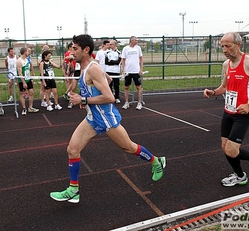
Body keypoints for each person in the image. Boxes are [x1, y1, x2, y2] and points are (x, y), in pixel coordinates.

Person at [49, 34, 166, 203]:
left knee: (129, 147)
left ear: (86, 50)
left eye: (75, 49)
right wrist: (88, 98)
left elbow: (110, 97)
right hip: (92, 118)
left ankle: (157, 161)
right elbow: (109, 79)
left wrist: (83, 100)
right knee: (72, 149)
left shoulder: (92, 68)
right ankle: (73, 190)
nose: (71, 52)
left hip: (106, 118)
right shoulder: (85, 66)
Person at [203, 32, 249, 187]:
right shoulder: (226, 64)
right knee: (225, 148)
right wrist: (213, 92)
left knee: (231, 150)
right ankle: (240, 176)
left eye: (228, 46)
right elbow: (225, 87)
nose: (224, 50)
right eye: (222, 46)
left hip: (243, 113)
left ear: (238, 45)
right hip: (228, 111)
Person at [121, 36, 144, 110]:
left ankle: (139, 103)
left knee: (138, 87)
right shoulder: (125, 48)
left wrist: (141, 69)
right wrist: (123, 70)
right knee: (126, 87)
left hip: (136, 71)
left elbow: (141, 59)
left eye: (137, 40)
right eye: (135, 40)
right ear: (131, 41)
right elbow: (123, 60)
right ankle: (126, 102)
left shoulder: (138, 48)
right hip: (128, 71)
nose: (136, 41)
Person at [16, 47, 39, 115]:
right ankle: (23, 108)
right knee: (22, 94)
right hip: (22, 80)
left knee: (31, 92)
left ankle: (30, 107)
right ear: (24, 52)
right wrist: (23, 82)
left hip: (28, 79)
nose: (28, 53)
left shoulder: (27, 60)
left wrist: (31, 78)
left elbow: (28, 69)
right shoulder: (19, 61)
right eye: (27, 51)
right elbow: (20, 73)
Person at [105, 39, 122, 103]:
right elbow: (106, 62)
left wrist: (111, 61)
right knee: (109, 85)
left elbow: (118, 62)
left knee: (116, 85)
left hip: (116, 71)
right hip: (108, 71)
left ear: (115, 44)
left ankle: (117, 97)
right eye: (109, 44)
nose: (110, 45)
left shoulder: (119, 52)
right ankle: (110, 97)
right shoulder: (107, 52)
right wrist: (113, 61)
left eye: (111, 44)